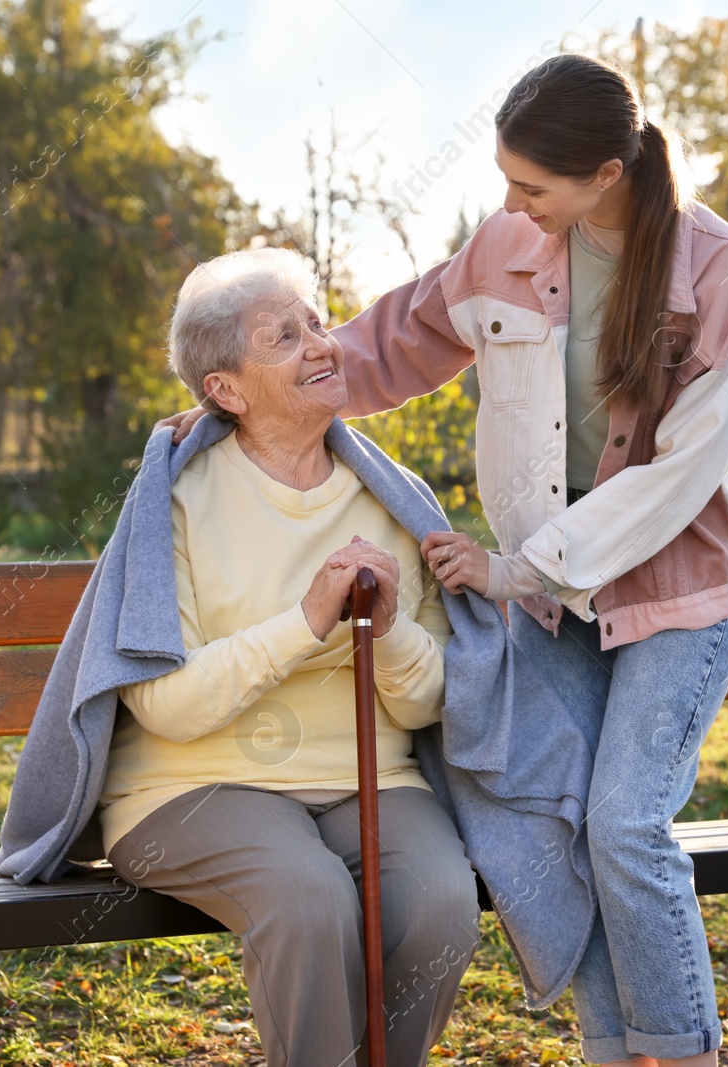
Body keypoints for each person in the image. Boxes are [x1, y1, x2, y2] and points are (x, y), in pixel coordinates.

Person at [162, 54, 728, 1067]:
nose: (510, 203)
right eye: (504, 178)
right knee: (556, 817)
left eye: (531, 186)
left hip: (675, 594)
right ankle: (617, 1049)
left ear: (605, 177)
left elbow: (682, 474)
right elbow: (399, 340)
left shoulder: (716, 268)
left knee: (624, 825)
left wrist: (517, 569)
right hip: (550, 603)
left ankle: (683, 1052)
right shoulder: (508, 244)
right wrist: (265, 391)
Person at [108, 246, 480, 1067]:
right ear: (226, 390)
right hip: (192, 783)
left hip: (369, 780)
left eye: (317, 323)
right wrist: (306, 621)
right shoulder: (175, 497)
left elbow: (426, 702)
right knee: (309, 900)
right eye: (285, 337)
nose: (322, 344)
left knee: (443, 904)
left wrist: (387, 633)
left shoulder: (391, 496)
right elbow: (163, 701)